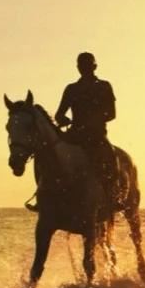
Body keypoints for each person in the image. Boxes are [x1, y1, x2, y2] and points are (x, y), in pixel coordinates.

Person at [54, 51, 117, 198]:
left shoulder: (104, 86)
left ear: (94, 66)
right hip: (75, 134)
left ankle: (113, 195)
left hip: (96, 135)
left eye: (87, 65)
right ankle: (45, 192)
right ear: (78, 67)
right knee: (52, 155)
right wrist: (64, 120)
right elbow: (59, 114)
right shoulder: (71, 89)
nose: (83, 68)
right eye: (81, 65)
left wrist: (93, 121)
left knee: (110, 158)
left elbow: (112, 114)